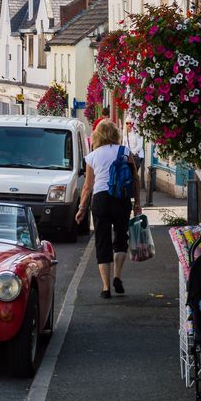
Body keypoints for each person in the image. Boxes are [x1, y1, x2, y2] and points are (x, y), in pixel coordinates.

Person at [75, 119, 142, 299]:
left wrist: (82, 208)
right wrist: (137, 203)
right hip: (121, 198)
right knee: (121, 238)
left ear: (97, 135)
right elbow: (135, 179)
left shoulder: (92, 156)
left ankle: (105, 287)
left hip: (101, 200)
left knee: (102, 242)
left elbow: (87, 186)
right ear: (115, 134)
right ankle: (117, 277)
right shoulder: (124, 151)